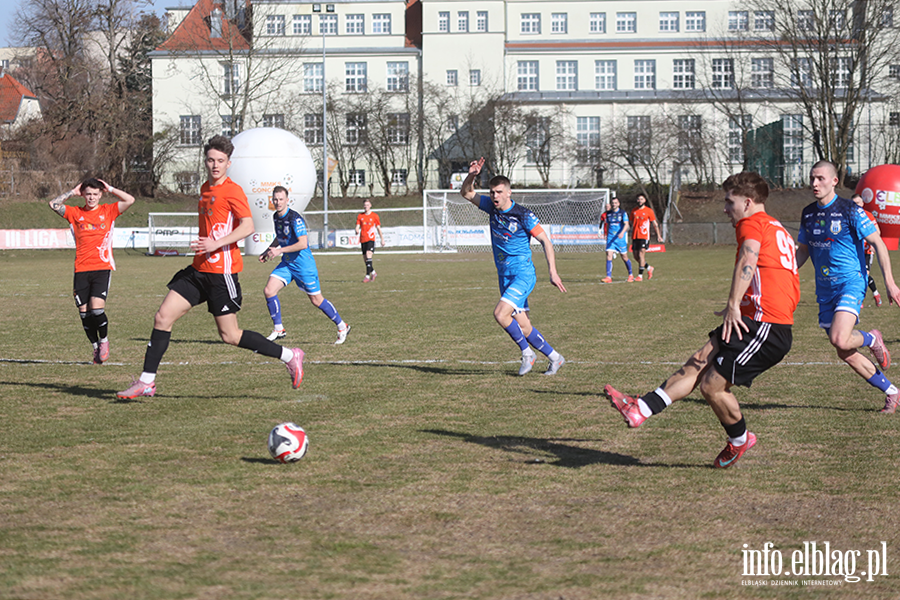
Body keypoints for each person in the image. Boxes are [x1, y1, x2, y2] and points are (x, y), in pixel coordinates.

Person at [605, 172, 800, 468]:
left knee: (711, 385)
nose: (724, 208)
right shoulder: (777, 227)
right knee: (698, 361)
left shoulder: (752, 223)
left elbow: (750, 258)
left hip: (767, 325)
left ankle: (739, 440)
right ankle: (641, 409)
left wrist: (734, 303)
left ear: (747, 203)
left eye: (728, 201)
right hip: (753, 318)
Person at [117, 135, 304, 399]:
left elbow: (247, 227)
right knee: (162, 317)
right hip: (198, 271)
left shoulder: (233, 190)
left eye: (220, 161)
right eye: (210, 160)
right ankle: (147, 381)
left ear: (229, 163)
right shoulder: (205, 188)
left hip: (221, 274)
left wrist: (215, 244)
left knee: (229, 335)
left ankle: (289, 355)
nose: (214, 165)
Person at [796, 161, 900, 413]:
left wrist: (889, 282)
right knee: (844, 351)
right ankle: (892, 391)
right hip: (824, 289)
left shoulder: (850, 210)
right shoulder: (808, 213)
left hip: (850, 283)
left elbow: (878, 243)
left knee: (840, 338)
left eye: (820, 178)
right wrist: (783, 273)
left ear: (834, 181)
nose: (814, 184)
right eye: (812, 178)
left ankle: (871, 338)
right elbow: (803, 251)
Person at [460, 157, 567, 376]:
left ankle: (527, 354)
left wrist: (553, 272)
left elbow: (546, 241)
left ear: (509, 193)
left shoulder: (524, 215)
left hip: (523, 275)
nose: (494, 196)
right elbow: (466, 193)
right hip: (505, 275)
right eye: (492, 192)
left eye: (499, 192)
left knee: (500, 314)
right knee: (524, 326)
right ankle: (555, 358)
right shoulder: (492, 208)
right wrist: (472, 175)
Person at [49, 178, 135, 364]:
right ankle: (95, 347)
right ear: (83, 195)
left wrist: (110, 187)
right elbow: (53, 204)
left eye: (95, 194)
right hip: (81, 269)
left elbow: (130, 200)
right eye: (88, 194)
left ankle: (104, 341)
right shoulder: (75, 213)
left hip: (102, 267)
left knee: (96, 310)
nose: (91, 198)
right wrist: (72, 192)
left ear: (100, 195)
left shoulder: (108, 211)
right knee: (84, 313)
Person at [260, 186, 351, 344]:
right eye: (275, 199)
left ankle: (342, 326)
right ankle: (278, 328)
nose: (278, 202)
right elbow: (280, 237)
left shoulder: (295, 219)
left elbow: (302, 243)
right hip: (288, 264)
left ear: (288, 200)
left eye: (281, 199)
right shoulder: (276, 217)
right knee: (269, 290)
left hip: (303, 266)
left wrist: (279, 250)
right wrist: (268, 250)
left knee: (316, 300)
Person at [851, 193, 883, 307]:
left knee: (864, 275)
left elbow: (877, 232)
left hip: (867, 251)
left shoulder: (868, 216)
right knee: (855, 275)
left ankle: (862, 299)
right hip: (854, 251)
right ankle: (875, 294)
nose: (856, 205)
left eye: (858, 203)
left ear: (863, 204)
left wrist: (874, 244)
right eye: (854, 204)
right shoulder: (849, 217)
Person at [599, 197, 633, 283]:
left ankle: (631, 274)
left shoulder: (622, 213)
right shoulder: (608, 214)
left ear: (618, 204)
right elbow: (607, 225)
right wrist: (605, 234)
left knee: (624, 257)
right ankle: (608, 277)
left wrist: (622, 232)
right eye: (613, 203)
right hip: (611, 238)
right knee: (608, 255)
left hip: (620, 239)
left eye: (615, 203)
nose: (614, 204)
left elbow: (626, 224)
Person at [630, 193, 662, 281]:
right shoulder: (634, 211)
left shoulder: (649, 211)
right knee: (636, 256)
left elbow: (655, 224)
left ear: (645, 200)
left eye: (641, 199)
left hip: (644, 236)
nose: (639, 201)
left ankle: (640, 276)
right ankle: (648, 268)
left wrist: (659, 236)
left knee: (641, 254)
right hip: (635, 236)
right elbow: (630, 223)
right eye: (638, 199)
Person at [355, 199, 384, 282]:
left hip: (371, 239)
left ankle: (367, 276)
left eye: (367, 205)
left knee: (368, 254)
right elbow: (357, 226)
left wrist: (382, 239)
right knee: (365, 259)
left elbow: (378, 228)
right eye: (365, 205)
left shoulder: (375, 216)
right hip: (363, 239)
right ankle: (373, 272)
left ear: (370, 205)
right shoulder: (360, 216)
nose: (366, 206)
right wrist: (356, 230)